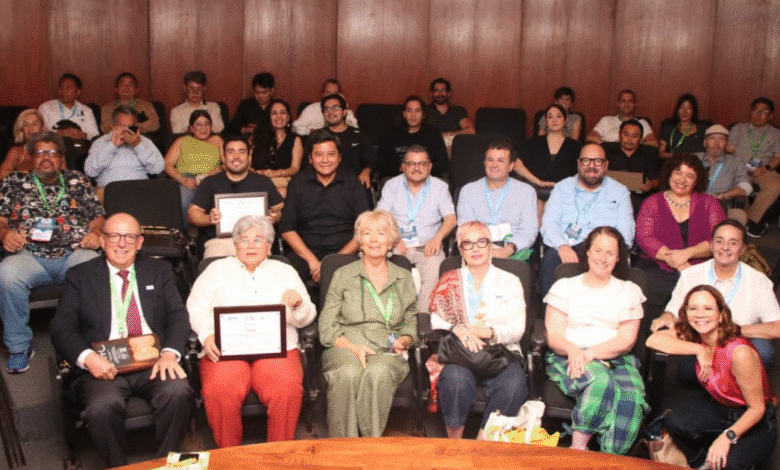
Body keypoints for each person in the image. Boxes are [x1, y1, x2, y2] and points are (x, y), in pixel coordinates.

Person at [50, 213, 193, 468]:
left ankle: (169, 463)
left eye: (129, 237)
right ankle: (119, 465)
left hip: (154, 360)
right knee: (101, 408)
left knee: (178, 391)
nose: (121, 243)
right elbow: (62, 327)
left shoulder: (159, 271)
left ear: (139, 242)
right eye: (114, 236)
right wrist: (89, 359)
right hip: (105, 366)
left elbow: (178, 315)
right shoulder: (80, 276)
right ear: (102, 241)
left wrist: (170, 353)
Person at [187, 215, 315, 446]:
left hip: (277, 347)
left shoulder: (284, 271)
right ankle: (230, 457)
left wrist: (298, 305)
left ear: (269, 246)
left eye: (258, 240)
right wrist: (207, 334)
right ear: (235, 244)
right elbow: (196, 307)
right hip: (226, 348)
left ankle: (278, 455)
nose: (251, 245)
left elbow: (307, 316)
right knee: (219, 390)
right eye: (244, 240)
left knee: (286, 388)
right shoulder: (216, 270)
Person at [0, 131, 104, 373]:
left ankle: (92, 340)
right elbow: (1, 220)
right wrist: (5, 234)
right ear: (30, 157)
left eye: (52, 152)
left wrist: (95, 233)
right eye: (40, 152)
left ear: (61, 157)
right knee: (6, 274)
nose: (46, 157)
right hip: (29, 256)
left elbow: (97, 217)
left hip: (75, 252)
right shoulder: (13, 182)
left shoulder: (78, 180)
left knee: (94, 267)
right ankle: (19, 346)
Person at [647, 285, 778, 470]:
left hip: (755, 417)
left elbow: (757, 409)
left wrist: (727, 437)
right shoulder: (696, 336)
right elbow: (653, 340)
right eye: (693, 308)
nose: (700, 314)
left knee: (728, 464)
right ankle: (700, 463)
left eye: (708, 308)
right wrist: (699, 350)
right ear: (686, 313)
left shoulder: (739, 352)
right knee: (674, 423)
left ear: (721, 314)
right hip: (719, 405)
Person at [544, 226, 647, 454]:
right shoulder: (565, 287)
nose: (603, 258)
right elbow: (554, 335)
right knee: (600, 381)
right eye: (598, 250)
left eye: (610, 253)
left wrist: (591, 353)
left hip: (616, 358)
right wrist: (575, 351)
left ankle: (610, 460)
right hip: (569, 355)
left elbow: (626, 340)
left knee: (632, 400)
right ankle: (577, 451)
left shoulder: (629, 290)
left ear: (618, 258)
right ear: (587, 252)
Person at [319, 209, 417, 437]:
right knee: (348, 374)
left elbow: (411, 320)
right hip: (345, 345)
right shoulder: (342, 274)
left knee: (378, 374)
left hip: (387, 347)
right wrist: (352, 347)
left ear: (391, 240)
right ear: (359, 241)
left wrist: (404, 340)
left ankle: (370, 446)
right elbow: (326, 326)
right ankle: (343, 449)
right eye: (367, 233)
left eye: (381, 233)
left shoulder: (403, 276)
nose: (374, 240)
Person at [427, 221, 529, 440]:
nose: (475, 249)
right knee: (455, 381)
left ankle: (484, 441)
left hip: (500, 353)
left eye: (481, 242)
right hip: (460, 353)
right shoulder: (450, 279)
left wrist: (489, 332)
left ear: (491, 246)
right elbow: (436, 318)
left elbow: (517, 329)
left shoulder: (510, 281)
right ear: (460, 250)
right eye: (468, 244)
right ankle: (456, 443)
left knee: (515, 383)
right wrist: (458, 329)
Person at [651, 220, 780, 380]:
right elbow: (674, 311)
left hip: (740, 342)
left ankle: (742, 390)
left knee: (764, 352)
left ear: (743, 249)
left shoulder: (758, 280)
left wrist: (731, 331)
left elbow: (776, 327)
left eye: (733, 243)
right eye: (719, 241)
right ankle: (720, 386)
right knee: (686, 373)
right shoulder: (691, 275)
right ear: (711, 245)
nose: (725, 248)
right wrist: (667, 317)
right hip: (702, 341)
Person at [635, 153, 725, 323]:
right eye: (678, 172)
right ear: (669, 173)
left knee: (705, 293)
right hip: (655, 264)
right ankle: (650, 343)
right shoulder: (652, 201)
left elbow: (719, 240)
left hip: (700, 265)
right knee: (649, 289)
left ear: (697, 180)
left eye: (690, 175)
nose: (682, 179)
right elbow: (644, 237)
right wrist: (680, 262)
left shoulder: (710, 203)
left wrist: (687, 254)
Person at [539, 143, 635, 297]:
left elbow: (626, 232)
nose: (591, 166)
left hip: (605, 248)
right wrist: (562, 245)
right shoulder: (562, 188)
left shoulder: (620, 192)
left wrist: (604, 251)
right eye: (586, 161)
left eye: (597, 161)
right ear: (578, 164)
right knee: (551, 259)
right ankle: (551, 318)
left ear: (605, 165)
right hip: (568, 245)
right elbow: (549, 224)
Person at [280, 129, 370, 283]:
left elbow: (365, 229)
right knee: (286, 276)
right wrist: (313, 261)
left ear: (339, 157)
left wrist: (331, 263)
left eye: (331, 154)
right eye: (318, 154)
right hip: (305, 253)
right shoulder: (297, 183)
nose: (325, 160)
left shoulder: (352, 183)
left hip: (345, 253)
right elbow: (287, 229)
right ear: (310, 158)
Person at [377, 145, 456, 312]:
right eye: (411, 163)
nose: (417, 168)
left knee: (435, 271)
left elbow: (451, 218)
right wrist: (393, 239)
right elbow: (381, 216)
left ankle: (423, 320)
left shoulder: (439, 187)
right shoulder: (392, 185)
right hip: (397, 245)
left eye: (422, 163)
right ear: (403, 166)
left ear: (429, 167)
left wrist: (438, 238)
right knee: (384, 272)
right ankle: (394, 320)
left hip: (428, 246)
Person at [188, 136, 283, 258]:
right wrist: (209, 218)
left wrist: (275, 216)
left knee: (264, 270)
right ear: (223, 157)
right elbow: (192, 214)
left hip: (256, 241)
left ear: (249, 157)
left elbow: (281, 208)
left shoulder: (263, 182)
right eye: (231, 152)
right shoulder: (210, 183)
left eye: (241, 152)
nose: (236, 157)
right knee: (215, 266)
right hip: (221, 242)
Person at [458, 140, 538, 259]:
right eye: (490, 160)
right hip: (476, 248)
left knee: (517, 269)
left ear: (511, 166)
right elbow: (466, 227)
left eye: (501, 160)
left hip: (514, 249)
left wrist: (509, 249)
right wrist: (484, 249)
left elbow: (529, 230)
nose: (494, 165)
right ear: (484, 163)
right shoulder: (468, 191)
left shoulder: (527, 192)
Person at [726, 97, 780, 237]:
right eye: (756, 110)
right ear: (750, 112)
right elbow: (729, 150)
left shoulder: (776, 133)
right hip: (739, 168)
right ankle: (745, 221)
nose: (759, 114)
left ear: (770, 116)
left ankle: (749, 220)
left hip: (763, 170)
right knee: (737, 185)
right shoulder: (738, 128)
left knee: (775, 185)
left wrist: (765, 168)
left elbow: (778, 157)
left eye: (764, 111)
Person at [85, 106, 164, 200]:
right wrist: (112, 146)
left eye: (131, 127)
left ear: (137, 127)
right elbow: (90, 172)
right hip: (109, 191)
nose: (127, 131)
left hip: (140, 190)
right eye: (122, 126)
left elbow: (158, 169)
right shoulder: (100, 142)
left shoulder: (145, 142)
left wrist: (138, 146)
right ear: (113, 126)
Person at [516, 104, 582, 216]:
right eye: (550, 117)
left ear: (565, 121)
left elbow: (583, 169)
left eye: (559, 116)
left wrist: (564, 185)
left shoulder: (575, 145)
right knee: (536, 206)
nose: (554, 120)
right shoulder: (532, 142)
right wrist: (538, 182)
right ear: (546, 121)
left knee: (550, 208)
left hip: (565, 190)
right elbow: (517, 165)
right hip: (535, 188)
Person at [164, 110, 224, 221]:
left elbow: (227, 162)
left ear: (211, 127)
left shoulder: (217, 140)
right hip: (187, 179)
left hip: (211, 179)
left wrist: (218, 170)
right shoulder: (182, 141)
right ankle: (189, 232)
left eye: (207, 124)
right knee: (184, 201)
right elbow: (167, 164)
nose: (203, 128)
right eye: (198, 125)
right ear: (191, 128)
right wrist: (183, 180)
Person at [375, 95, 448, 180]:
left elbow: (442, 162)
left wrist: (421, 170)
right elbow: (381, 162)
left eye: (417, 111)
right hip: (397, 178)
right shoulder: (391, 134)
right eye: (409, 111)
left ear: (423, 114)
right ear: (404, 114)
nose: (413, 115)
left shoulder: (433, 134)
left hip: (426, 178)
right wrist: (401, 168)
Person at [696, 124, 752, 225]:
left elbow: (746, 186)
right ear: (705, 142)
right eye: (712, 138)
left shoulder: (735, 161)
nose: (716, 143)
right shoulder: (694, 159)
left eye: (721, 139)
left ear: (726, 143)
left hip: (719, 204)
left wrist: (723, 195)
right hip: (693, 202)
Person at [251, 98, 303, 196]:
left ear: (288, 117)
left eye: (282, 113)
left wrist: (277, 173)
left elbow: (295, 168)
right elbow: (247, 164)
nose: (279, 116)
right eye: (274, 113)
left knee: (282, 192)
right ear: (269, 117)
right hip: (258, 181)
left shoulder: (295, 139)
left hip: (283, 182)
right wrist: (257, 173)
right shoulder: (256, 137)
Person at [321, 93, 373, 188]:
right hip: (324, 183)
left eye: (335, 108)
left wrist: (366, 171)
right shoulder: (318, 136)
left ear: (344, 112)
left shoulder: (359, 135)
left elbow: (370, 161)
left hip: (353, 185)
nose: (330, 112)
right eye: (326, 109)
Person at [38, 73, 99, 141]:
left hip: (78, 147)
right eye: (61, 87)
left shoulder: (86, 110)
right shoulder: (45, 107)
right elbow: (39, 133)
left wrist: (83, 135)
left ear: (78, 92)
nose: (63, 91)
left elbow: (94, 135)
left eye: (68, 88)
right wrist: (56, 133)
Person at [0, 109, 58, 179]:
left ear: (42, 127)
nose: (30, 129)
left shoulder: (54, 149)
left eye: (34, 124)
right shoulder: (16, 151)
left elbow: (62, 175)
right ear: (21, 129)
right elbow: (2, 175)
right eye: (26, 125)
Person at [587, 89, 656, 146]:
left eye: (630, 101)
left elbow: (654, 143)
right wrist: (609, 147)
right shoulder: (606, 120)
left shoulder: (642, 123)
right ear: (618, 104)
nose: (626, 104)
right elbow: (590, 137)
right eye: (623, 101)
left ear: (635, 104)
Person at [292, 78, 358, 136]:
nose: (331, 96)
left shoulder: (344, 109)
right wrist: (312, 131)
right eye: (328, 93)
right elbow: (295, 127)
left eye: (335, 93)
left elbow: (354, 127)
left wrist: (345, 105)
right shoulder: (312, 109)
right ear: (323, 94)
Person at [426, 78, 475, 153]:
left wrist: (447, 135)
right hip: (430, 148)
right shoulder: (425, 110)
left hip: (453, 148)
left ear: (448, 93)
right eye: (436, 90)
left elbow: (471, 131)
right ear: (431, 94)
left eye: (443, 90)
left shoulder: (457, 111)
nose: (440, 93)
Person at [659, 94, 706, 159]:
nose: (684, 111)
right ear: (677, 109)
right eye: (682, 107)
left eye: (688, 108)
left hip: (696, 164)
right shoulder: (669, 127)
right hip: (674, 163)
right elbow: (661, 153)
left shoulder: (702, 129)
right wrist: (679, 157)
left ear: (694, 111)